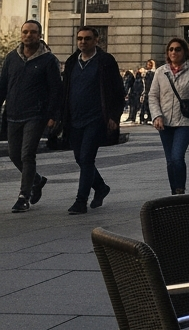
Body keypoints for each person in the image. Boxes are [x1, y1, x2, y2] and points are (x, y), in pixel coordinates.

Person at [60, 27, 125, 214]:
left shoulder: (105, 61)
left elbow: (117, 91)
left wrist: (114, 116)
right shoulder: (73, 61)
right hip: (74, 118)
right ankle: (101, 187)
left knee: (87, 157)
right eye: (80, 38)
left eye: (87, 39)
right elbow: (65, 90)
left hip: (96, 118)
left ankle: (81, 201)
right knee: (80, 158)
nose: (83, 42)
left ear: (96, 40)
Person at [0, 20, 61, 213]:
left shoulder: (48, 60)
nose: (28, 35)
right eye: (25, 32)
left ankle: (23, 196)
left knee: (27, 154)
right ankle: (37, 180)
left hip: (36, 115)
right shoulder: (11, 58)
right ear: (21, 34)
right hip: (13, 114)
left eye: (32, 32)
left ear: (39, 35)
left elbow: (55, 90)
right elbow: (3, 85)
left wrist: (52, 115)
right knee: (13, 154)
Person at [149, 38, 189, 194]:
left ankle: (180, 189)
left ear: (185, 52)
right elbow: (153, 96)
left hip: (185, 121)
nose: (173, 52)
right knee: (170, 161)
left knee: (177, 157)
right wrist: (157, 116)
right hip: (165, 123)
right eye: (171, 49)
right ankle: (174, 192)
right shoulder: (160, 71)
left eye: (177, 49)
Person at [138, 60, 156, 125]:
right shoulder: (148, 73)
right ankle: (143, 118)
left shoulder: (152, 73)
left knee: (148, 106)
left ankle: (147, 118)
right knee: (144, 106)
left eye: (149, 64)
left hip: (150, 92)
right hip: (147, 92)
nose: (147, 66)